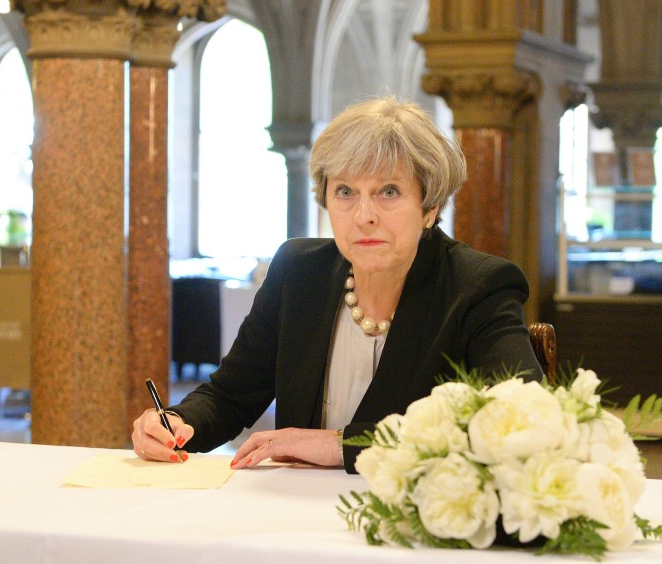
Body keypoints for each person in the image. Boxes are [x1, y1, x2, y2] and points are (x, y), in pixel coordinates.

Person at [132, 96, 543, 473]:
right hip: (295, 519)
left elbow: (517, 422)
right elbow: (228, 397)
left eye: (389, 191)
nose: (364, 215)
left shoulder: (478, 287)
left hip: (411, 523)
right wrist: (178, 422)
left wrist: (342, 445)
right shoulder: (297, 272)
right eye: (345, 191)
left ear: (430, 207)